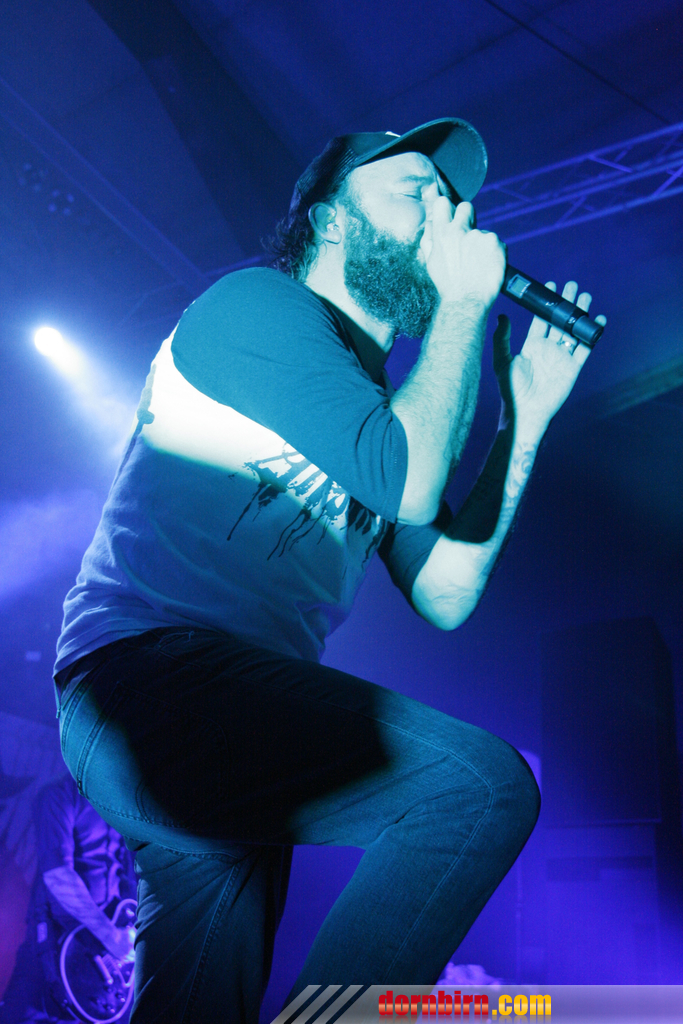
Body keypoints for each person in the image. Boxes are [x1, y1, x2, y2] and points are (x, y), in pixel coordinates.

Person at [52, 118, 604, 1022]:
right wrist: (463, 308)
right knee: (476, 791)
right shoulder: (255, 307)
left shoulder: (376, 410)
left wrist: (525, 421)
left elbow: (445, 591)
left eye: (453, 200)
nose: (447, 214)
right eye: (416, 190)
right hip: (146, 681)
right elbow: (410, 481)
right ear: (332, 219)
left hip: (224, 712)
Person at [0, 773, 135, 1024]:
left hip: (110, 959)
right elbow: (58, 874)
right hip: (56, 939)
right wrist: (110, 936)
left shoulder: (124, 809)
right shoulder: (57, 795)